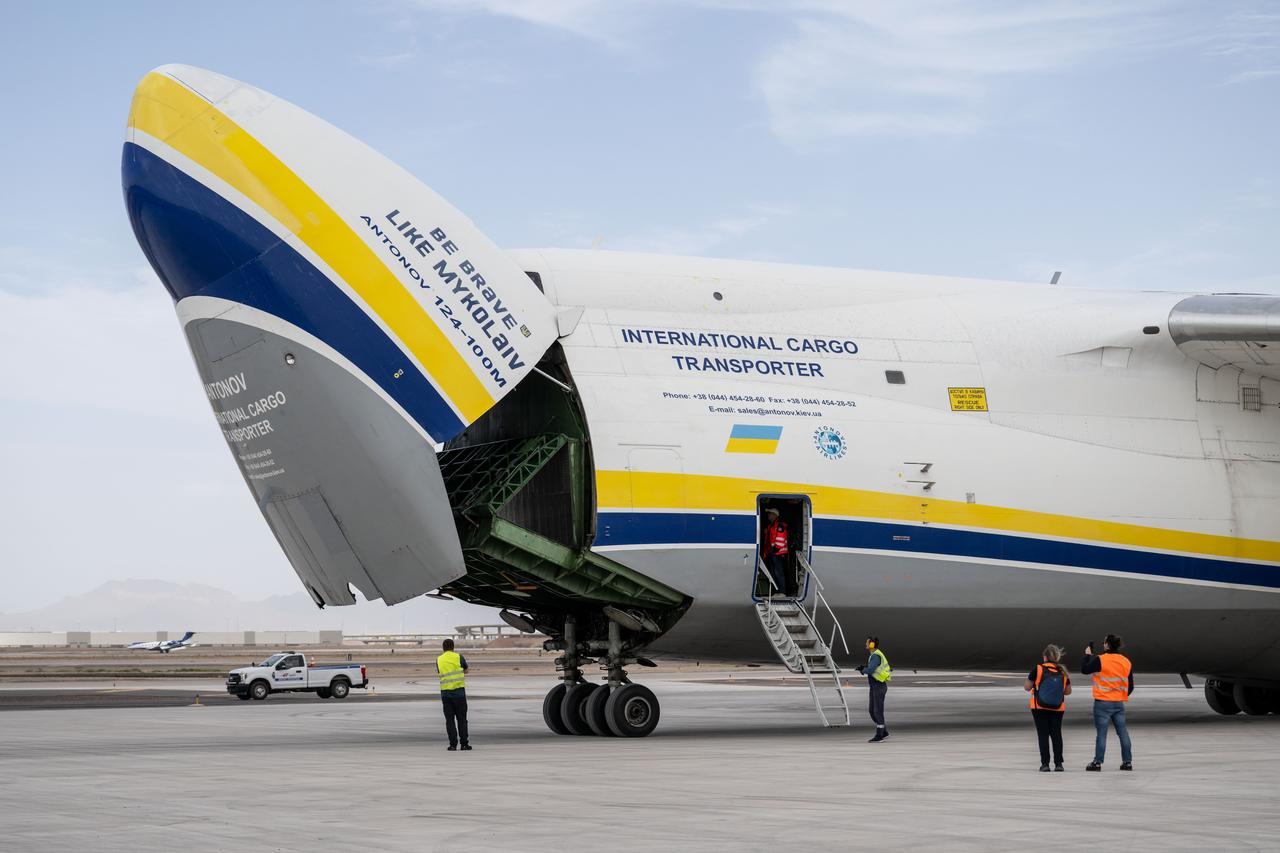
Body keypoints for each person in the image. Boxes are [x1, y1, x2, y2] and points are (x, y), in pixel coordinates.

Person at [1081, 633, 1133, 771]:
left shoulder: (1100, 659)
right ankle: (1127, 762)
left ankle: (1097, 762)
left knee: (1101, 734)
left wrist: (1087, 655)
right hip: (1118, 703)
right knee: (1123, 733)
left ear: (1107, 645)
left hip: (1102, 702)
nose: (1103, 644)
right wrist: (1119, 695)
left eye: (1104, 642)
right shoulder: (1126, 661)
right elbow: (1131, 686)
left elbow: (1085, 670)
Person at [1024, 644, 1071, 772]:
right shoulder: (1062, 671)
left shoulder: (1038, 669)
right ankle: (1058, 764)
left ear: (1045, 657)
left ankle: (1045, 764)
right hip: (1058, 708)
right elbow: (1067, 691)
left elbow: (1027, 687)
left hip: (1039, 707)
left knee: (1043, 735)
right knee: (1056, 735)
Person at [437, 638, 471, 751]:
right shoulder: (459, 657)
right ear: (453, 647)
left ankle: (452, 745)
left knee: (450, 721)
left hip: (446, 694)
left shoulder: (439, 659)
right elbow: (466, 670)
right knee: (462, 720)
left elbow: (440, 672)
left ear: (443, 648)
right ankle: (464, 744)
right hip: (459, 694)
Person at [856, 636, 892, 742]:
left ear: (872, 645)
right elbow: (872, 668)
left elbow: (871, 670)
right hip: (874, 686)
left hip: (879, 685)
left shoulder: (876, 656)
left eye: (867, 643)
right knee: (872, 710)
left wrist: (863, 670)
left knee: (877, 711)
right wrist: (863, 668)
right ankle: (884, 731)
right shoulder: (873, 655)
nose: (865, 645)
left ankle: (879, 735)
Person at [762, 507, 789, 596]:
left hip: (778, 553)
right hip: (773, 553)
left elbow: (781, 539)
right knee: (773, 573)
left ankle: (782, 592)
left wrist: (775, 549)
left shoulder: (780, 525)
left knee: (778, 573)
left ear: (774, 515)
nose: (768, 515)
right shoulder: (772, 526)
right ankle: (777, 591)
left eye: (770, 514)